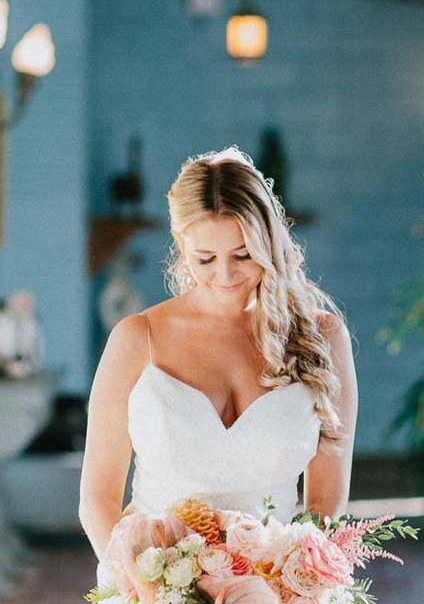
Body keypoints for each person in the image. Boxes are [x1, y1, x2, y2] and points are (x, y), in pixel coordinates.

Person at [78, 146, 359, 595]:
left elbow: (325, 500)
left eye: (243, 254)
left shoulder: (322, 338)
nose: (225, 274)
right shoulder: (136, 340)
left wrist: (298, 591)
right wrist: (148, 592)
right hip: (152, 589)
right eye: (205, 258)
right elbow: (97, 498)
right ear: (180, 245)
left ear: (269, 243)